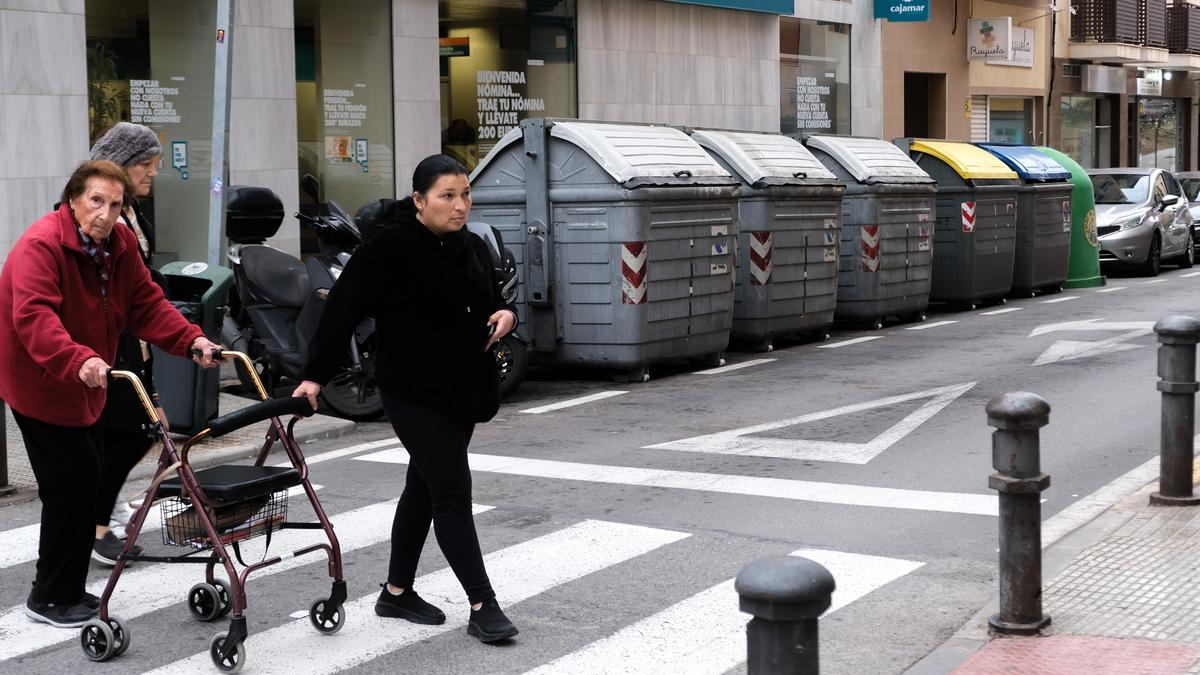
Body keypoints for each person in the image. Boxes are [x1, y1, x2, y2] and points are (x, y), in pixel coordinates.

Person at [293, 154, 520, 644]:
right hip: (411, 388)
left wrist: (506, 315)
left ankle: (396, 591)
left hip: (462, 387)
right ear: (419, 200)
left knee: (424, 487)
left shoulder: (471, 245)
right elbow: (342, 313)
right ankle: (484, 605)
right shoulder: (387, 248)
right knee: (453, 493)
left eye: (464, 195)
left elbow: (491, 302)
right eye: (447, 196)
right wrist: (314, 377)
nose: (460, 206)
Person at [0, 160, 222, 628]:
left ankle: (62, 588)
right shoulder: (42, 245)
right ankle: (50, 597)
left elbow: (146, 304)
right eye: (96, 201)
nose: (105, 213)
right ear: (73, 200)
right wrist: (78, 359)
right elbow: (35, 319)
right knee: (71, 484)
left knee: (84, 480)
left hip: (90, 380)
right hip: (42, 382)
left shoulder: (117, 245)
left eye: (116, 204)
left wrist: (191, 340)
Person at [87, 122, 169, 565]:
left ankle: (98, 512)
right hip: (105, 339)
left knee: (133, 428)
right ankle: (97, 523)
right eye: (145, 164)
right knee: (134, 428)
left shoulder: (134, 212)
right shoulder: (94, 210)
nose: (152, 173)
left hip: (133, 336)